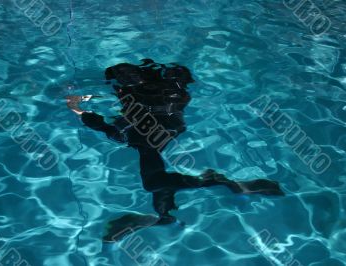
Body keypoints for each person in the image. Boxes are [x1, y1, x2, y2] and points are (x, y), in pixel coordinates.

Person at [66, 59, 284, 242]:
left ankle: (219, 183)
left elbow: (105, 125)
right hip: (172, 124)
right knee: (154, 176)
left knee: (152, 179)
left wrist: (76, 108)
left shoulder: (127, 95)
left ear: (120, 85)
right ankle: (167, 213)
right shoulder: (169, 83)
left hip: (146, 132)